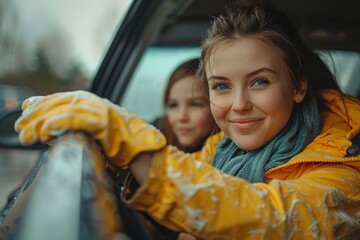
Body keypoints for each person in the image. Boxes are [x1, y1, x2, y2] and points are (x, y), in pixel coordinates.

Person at [14, 0, 360, 239]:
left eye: (259, 82)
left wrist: (133, 143)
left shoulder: (347, 162)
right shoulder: (220, 148)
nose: (238, 104)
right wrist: (114, 155)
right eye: (221, 86)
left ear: (298, 87)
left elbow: (275, 218)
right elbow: (191, 181)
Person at [153, 58, 217, 153]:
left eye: (195, 105)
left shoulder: (224, 158)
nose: (181, 117)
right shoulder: (154, 134)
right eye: (173, 105)